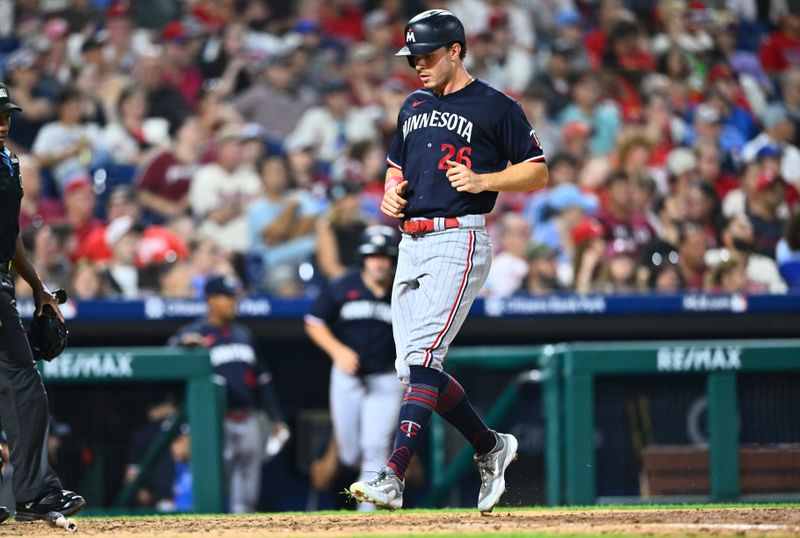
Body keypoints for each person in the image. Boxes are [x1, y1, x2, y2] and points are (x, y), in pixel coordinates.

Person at [348, 10, 548, 513]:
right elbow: (397, 168)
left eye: (428, 55)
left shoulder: (495, 105)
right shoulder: (412, 104)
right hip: (410, 243)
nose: (418, 64)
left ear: (456, 50)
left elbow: (537, 171)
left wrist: (485, 181)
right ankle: (489, 446)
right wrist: (391, 195)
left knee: (424, 361)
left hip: (458, 239)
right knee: (412, 371)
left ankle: (393, 475)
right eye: (413, 56)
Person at [0, 81, 85, 523]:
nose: (2, 123)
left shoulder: (9, 161)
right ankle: (34, 493)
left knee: (20, 384)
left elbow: (9, 232)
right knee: (23, 383)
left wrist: (36, 285)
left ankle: (33, 493)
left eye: (7, 115)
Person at [305, 226, 405, 510]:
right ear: (363, 258)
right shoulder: (343, 285)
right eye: (373, 255)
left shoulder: (401, 288)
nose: (379, 262)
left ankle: (367, 514)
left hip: (386, 377)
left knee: (375, 447)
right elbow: (314, 321)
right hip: (348, 375)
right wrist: (337, 351)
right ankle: (364, 491)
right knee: (349, 453)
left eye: (384, 256)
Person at [169, 275, 288, 513]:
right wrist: (183, 348)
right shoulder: (193, 333)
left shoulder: (244, 335)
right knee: (213, 494)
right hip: (214, 423)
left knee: (247, 498)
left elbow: (262, 382)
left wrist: (276, 418)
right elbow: (171, 375)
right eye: (227, 297)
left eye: (234, 297)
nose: (233, 302)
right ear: (211, 300)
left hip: (248, 419)